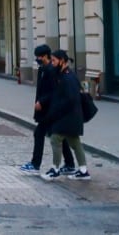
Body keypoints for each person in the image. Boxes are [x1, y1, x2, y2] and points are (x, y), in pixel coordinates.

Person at [19, 44, 76, 176]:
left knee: (40, 133)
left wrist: (41, 101)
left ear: (46, 56)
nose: (37, 59)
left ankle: (35, 164)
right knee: (58, 135)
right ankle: (69, 163)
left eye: (39, 56)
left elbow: (54, 91)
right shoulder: (43, 69)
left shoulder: (51, 70)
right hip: (46, 109)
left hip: (50, 109)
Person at [41, 49, 91, 181]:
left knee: (55, 139)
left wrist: (57, 111)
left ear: (62, 61)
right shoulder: (64, 75)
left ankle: (55, 169)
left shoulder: (68, 77)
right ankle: (83, 170)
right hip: (71, 116)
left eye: (54, 61)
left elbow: (71, 99)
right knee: (75, 142)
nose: (52, 63)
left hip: (68, 116)